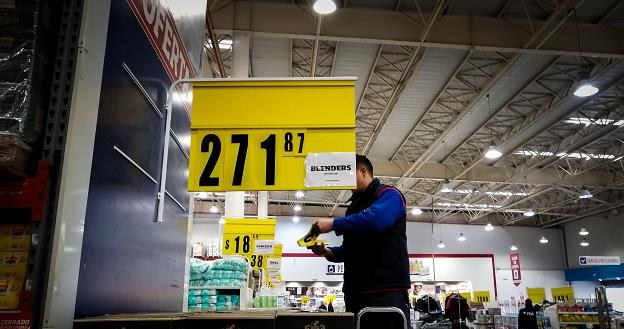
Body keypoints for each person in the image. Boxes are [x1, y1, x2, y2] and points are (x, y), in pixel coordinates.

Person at [310, 154, 410, 328]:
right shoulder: (353, 208)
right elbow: (351, 249)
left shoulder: (389, 195)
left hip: (385, 291)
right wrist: (329, 252)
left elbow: (376, 221)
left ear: (363, 171)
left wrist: (334, 224)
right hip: (355, 292)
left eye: (348, 175)